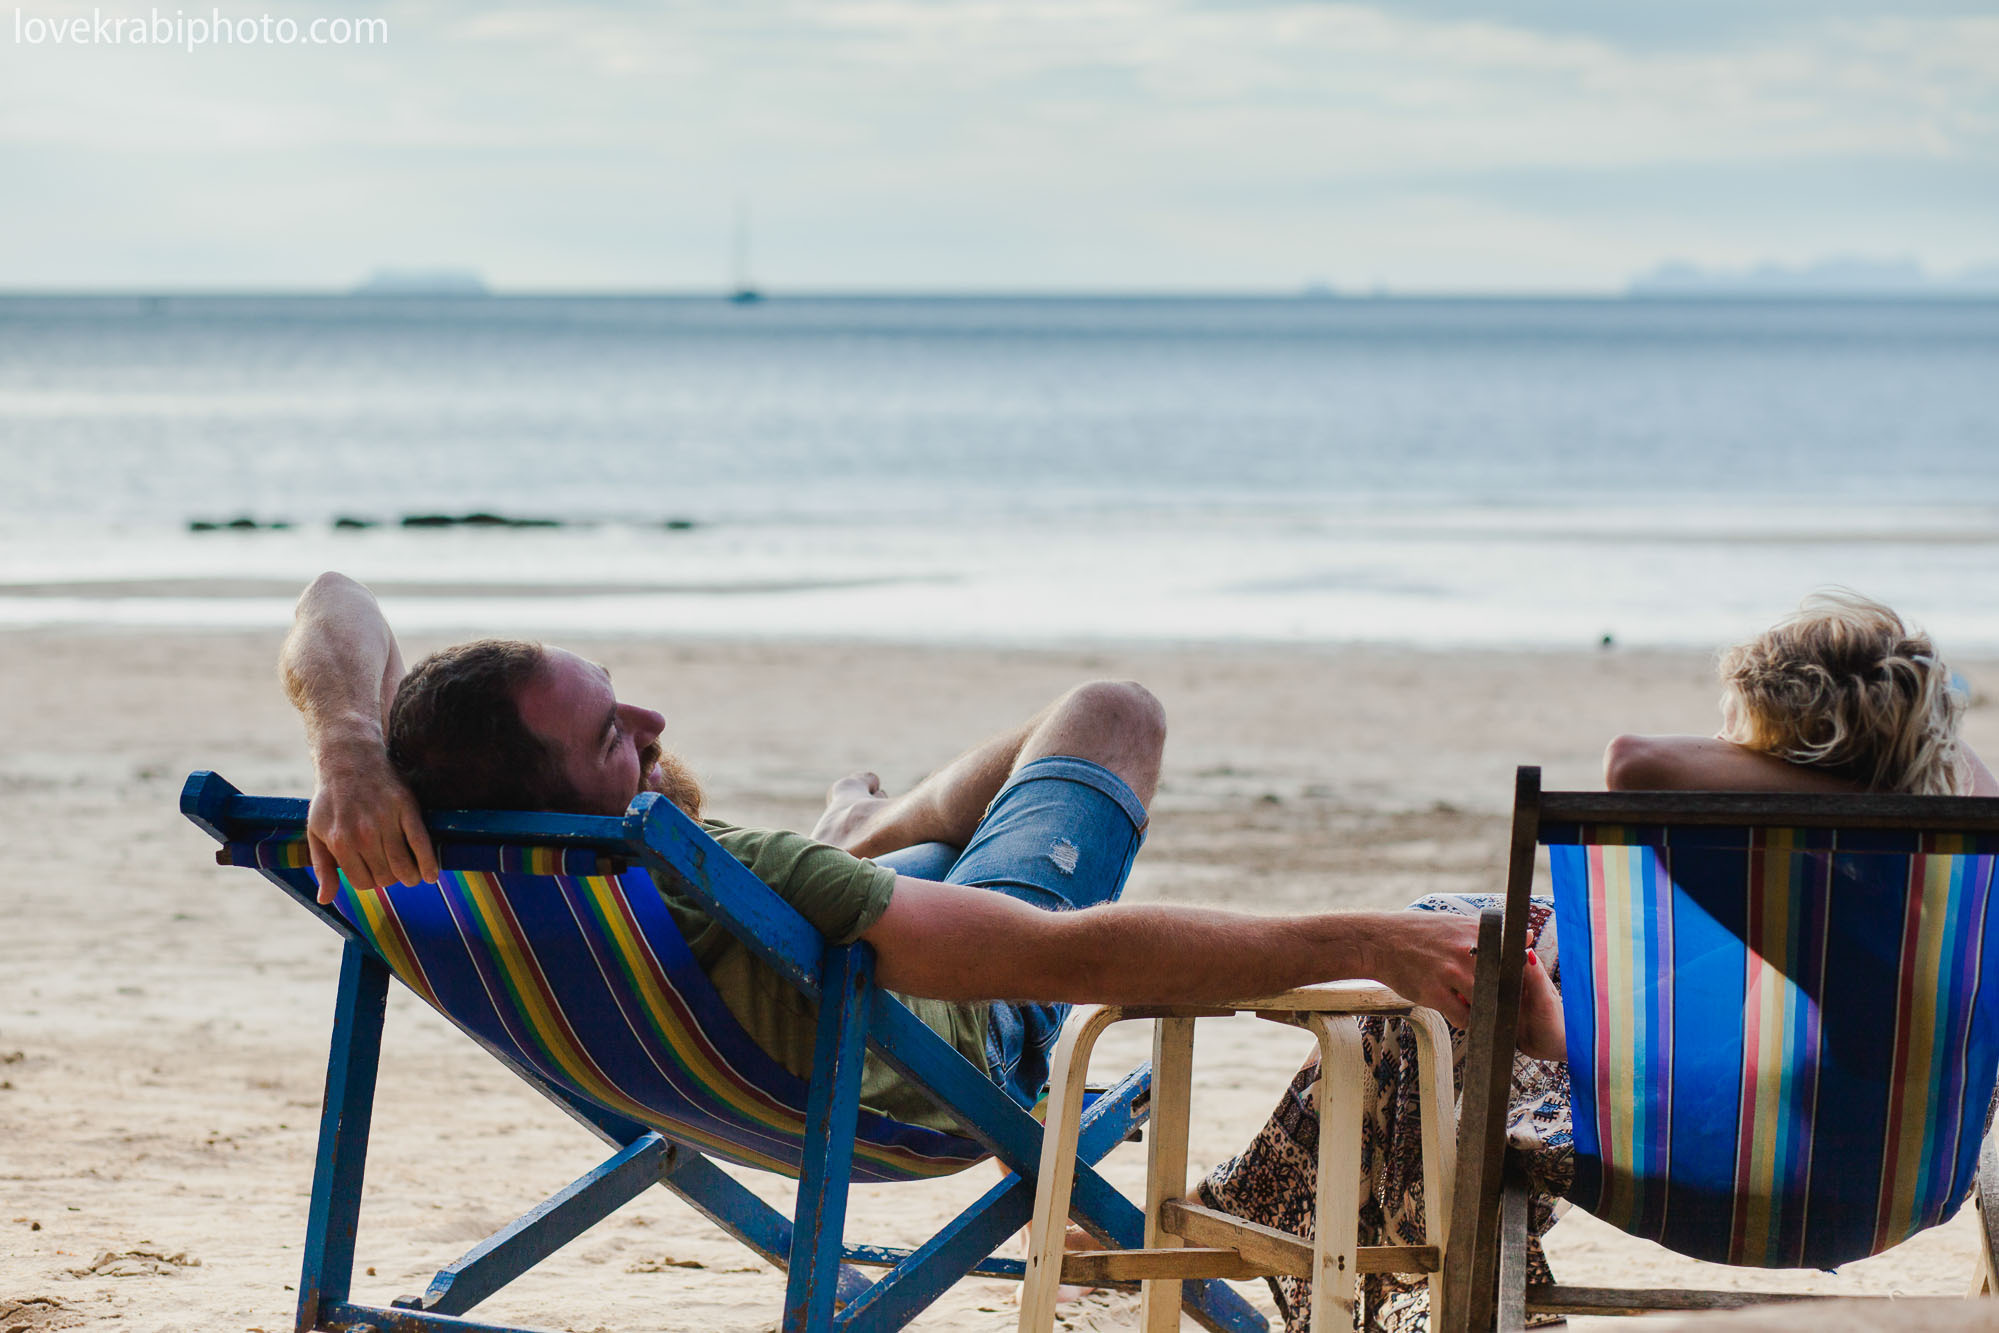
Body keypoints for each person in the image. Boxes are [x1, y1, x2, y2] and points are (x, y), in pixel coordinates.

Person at [280, 571, 1563, 1130]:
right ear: (565, 780)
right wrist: (1364, 937)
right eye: (615, 734)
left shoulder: (415, 831)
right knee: (1110, 714)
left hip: (700, 1040)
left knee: (879, 875)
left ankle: (869, 839)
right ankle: (865, 841)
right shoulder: (708, 866)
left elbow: (334, 598)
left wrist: (345, 739)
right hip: (934, 1048)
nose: (655, 723)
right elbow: (1056, 957)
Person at [1198, 590, 1998, 1333]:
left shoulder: (1837, 895)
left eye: (1748, 741)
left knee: (1433, 983)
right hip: (1899, 1182)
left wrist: (1568, 1043)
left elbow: (1635, 762)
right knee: (1467, 937)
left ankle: (1265, 1213)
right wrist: (1883, 779)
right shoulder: (1950, 873)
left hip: (1738, 1177)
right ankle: (1258, 1202)